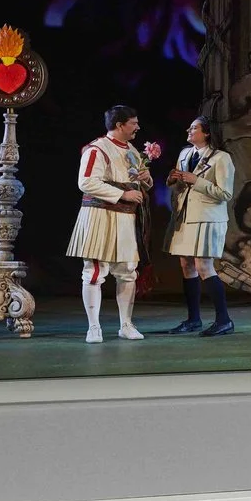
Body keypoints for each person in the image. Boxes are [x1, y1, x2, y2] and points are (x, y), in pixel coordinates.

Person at [67, 104, 156, 342]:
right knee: (95, 272)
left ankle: (126, 324)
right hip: (100, 216)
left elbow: (137, 181)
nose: (138, 127)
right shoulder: (97, 149)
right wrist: (123, 195)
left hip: (125, 220)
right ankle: (93, 327)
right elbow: (86, 182)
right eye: (133, 123)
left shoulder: (132, 150)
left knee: (127, 272)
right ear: (120, 125)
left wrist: (146, 180)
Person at [164, 117, 237, 335]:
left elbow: (225, 193)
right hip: (184, 217)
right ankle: (193, 319)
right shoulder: (185, 154)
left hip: (207, 218)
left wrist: (197, 181)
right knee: (186, 265)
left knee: (204, 266)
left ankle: (224, 320)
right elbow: (180, 183)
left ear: (206, 133)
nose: (189, 130)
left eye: (194, 127)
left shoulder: (222, 158)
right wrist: (172, 179)